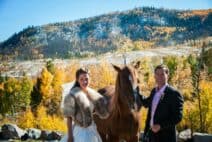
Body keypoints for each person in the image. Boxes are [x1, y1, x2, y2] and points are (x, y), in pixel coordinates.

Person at [60, 68, 109, 142]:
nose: (84, 81)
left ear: (90, 79)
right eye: (81, 79)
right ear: (77, 80)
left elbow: (95, 112)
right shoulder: (72, 95)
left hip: (92, 131)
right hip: (79, 131)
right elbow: (69, 118)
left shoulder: (93, 94)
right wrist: (70, 136)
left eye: (86, 79)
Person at [138, 64, 184, 142]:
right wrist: (136, 91)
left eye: (162, 74)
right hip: (152, 135)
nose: (159, 77)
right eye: (157, 74)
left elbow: (177, 117)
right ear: (154, 76)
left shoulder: (174, 94)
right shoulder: (154, 91)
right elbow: (146, 103)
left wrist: (160, 126)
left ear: (167, 75)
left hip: (166, 137)